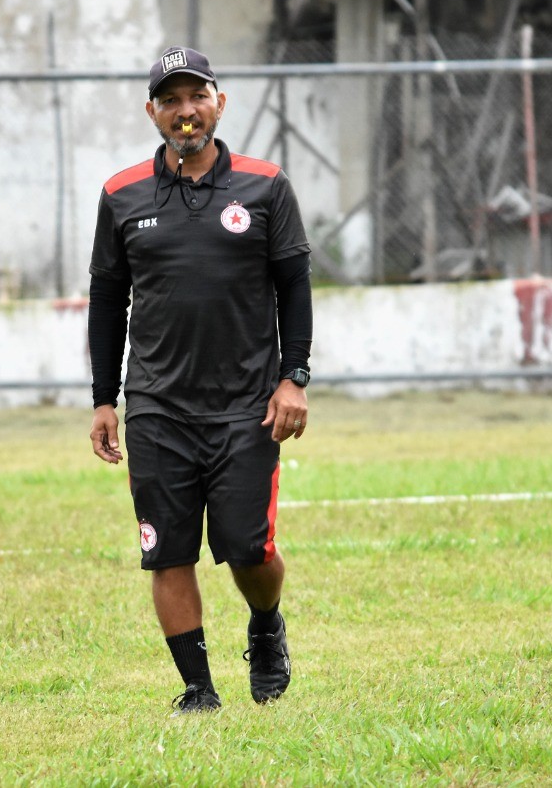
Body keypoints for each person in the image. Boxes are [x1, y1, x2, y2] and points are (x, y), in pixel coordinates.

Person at [87, 47, 313, 714]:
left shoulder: (266, 185)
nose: (186, 112)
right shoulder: (121, 193)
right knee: (166, 552)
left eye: (197, 97)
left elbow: (294, 287)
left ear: (219, 102)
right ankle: (199, 689)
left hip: (246, 405)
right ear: (153, 110)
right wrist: (105, 398)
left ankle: (266, 624)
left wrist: (292, 377)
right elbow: (107, 301)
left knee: (249, 549)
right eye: (172, 100)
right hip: (157, 406)